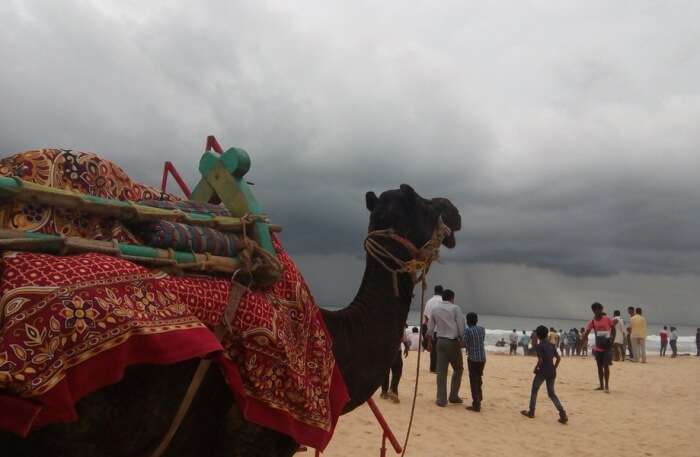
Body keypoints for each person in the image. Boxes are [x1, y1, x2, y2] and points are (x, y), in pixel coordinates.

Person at [520, 325, 568, 424]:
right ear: (547, 334)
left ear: (537, 335)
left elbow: (541, 360)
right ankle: (562, 414)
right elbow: (558, 359)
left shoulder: (539, 346)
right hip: (552, 372)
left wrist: (536, 368)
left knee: (534, 390)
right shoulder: (551, 345)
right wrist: (554, 368)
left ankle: (531, 412)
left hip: (542, 372)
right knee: (552, 394)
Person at [426, 289, 465, 407]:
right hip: (452, 342)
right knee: (458, 368)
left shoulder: (435, 309)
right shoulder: (455, 308)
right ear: (452, 298)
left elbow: (430, 328)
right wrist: (462, 339)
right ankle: (453, 396)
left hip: (440, 341)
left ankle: (441, 399)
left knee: (441, 371)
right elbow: (461, 326)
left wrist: (429, 342)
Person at [583, 303, 616, 392]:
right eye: (598, 310)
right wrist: (584, 339)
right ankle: (601, 385)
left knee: (606, 366)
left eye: (601, 309)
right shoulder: (592, 322)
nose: (600, 311)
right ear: (594, 310)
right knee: (599, 367)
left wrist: (612, 340)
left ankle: (606, 386)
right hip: (598, 347)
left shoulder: (607, 319)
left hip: (607, 347)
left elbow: (613, 328)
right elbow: (587, 332)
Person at [463, 312, 486, 412]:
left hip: (473, 358)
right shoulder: (482, 329)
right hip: (482, 358)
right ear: (476, 320)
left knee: (473, 381)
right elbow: (481, 341)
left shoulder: (467, 331)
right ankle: (479, 397)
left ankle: (476, 404)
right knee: (479, 377)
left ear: (467, 321)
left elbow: (464, 343)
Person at [380, 328, 410, 402]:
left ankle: (384, 392)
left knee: (385, 370)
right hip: (395, 349)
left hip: (383, 349)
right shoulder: (398, 320)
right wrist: (406, 346)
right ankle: (393, 389)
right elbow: (403, 335)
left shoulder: (381, 320)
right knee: (397, 370)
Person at [423, 285, 444, 373]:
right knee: (441, 350)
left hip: (431, 329)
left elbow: (426, 317)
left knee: (433, 350)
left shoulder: (429, 302)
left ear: (434, 291)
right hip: (441, 330)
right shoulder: (443, 301)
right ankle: (439, 368)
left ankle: (433, 368)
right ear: (442, 292)